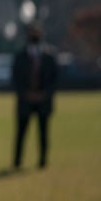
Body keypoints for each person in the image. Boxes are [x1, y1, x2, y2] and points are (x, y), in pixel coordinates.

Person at [11, 25, 58, 169]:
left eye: (37, 32)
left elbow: (55, 79)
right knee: (21, 133)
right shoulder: (20, 57)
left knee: (43, 132)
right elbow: (15, 79)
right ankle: (17, 162)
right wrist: (26, 93)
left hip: (43, 101)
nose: (34, 35)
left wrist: (45, 93)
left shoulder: (49, 56)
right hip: (25, 100)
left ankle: (43, 160)